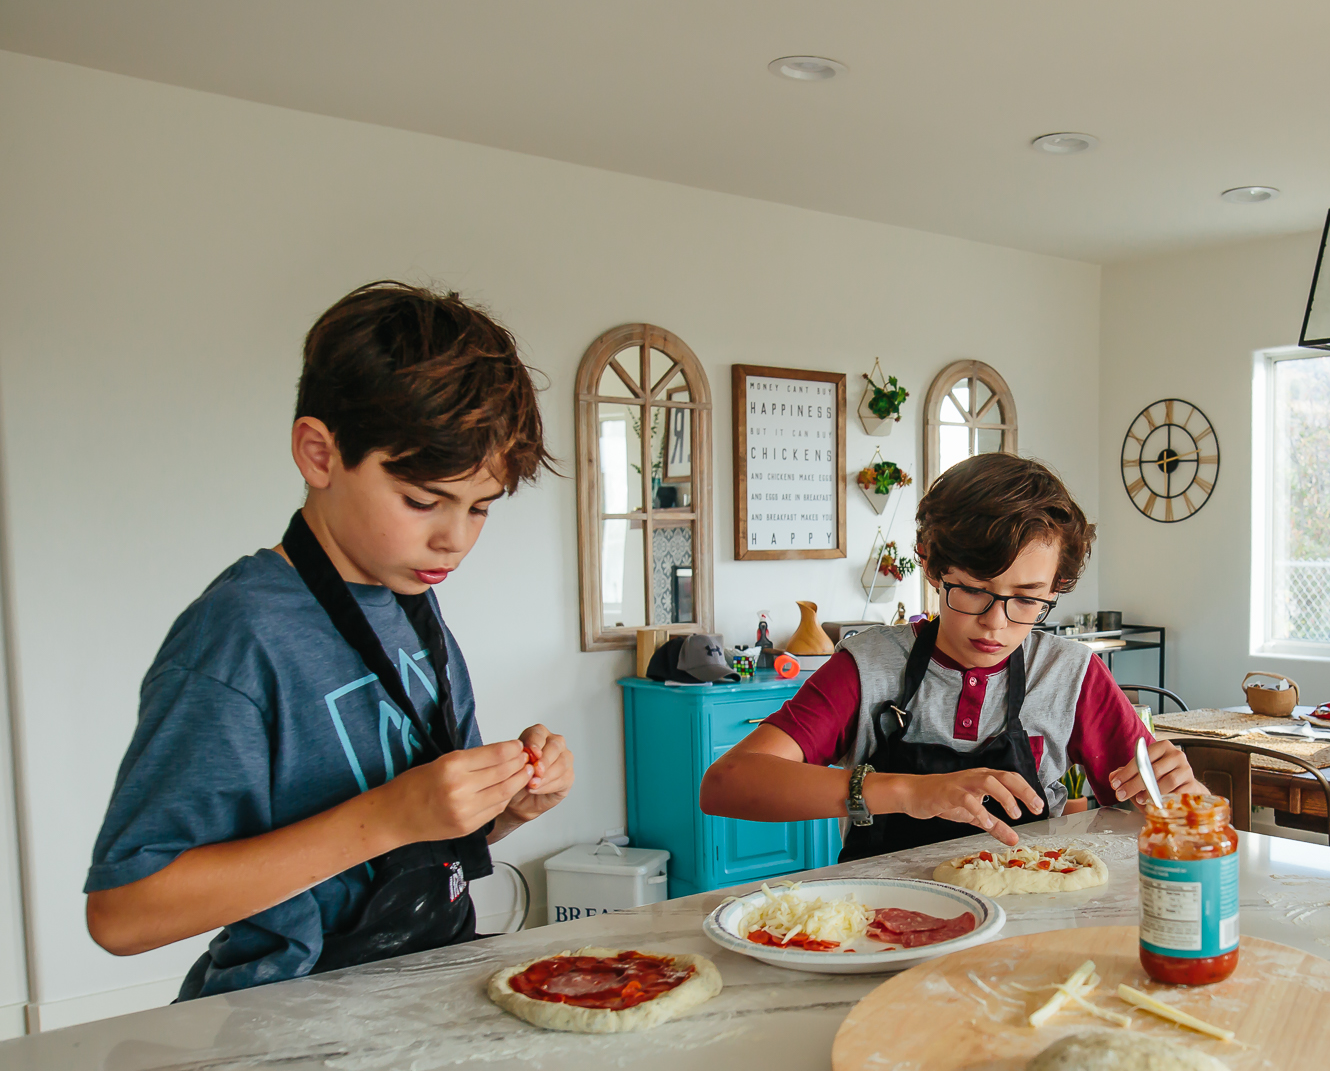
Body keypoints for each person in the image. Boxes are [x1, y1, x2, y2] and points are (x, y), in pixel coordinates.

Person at [85, 282, 577, 997]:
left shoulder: (413, 602)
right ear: (319, 454)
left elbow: (415, 847)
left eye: (480, 509)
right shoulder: (238, 633)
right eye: (421, 500)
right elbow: (123, 913)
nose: (455, 539)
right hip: (281, 1034)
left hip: (417, 1003)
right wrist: (388, 815)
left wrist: (502, 806)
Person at [700, 452, 1204, 856]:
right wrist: (909, 793)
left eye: (1028, 599)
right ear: (933, 569)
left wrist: (1184, 795)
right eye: (972, 589)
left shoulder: (1070, 674)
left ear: (1058, 586)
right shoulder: (869, 666)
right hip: (880, 925)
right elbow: (728, 783)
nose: (996, 622)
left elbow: (1157, 821)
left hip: (1026, 925)